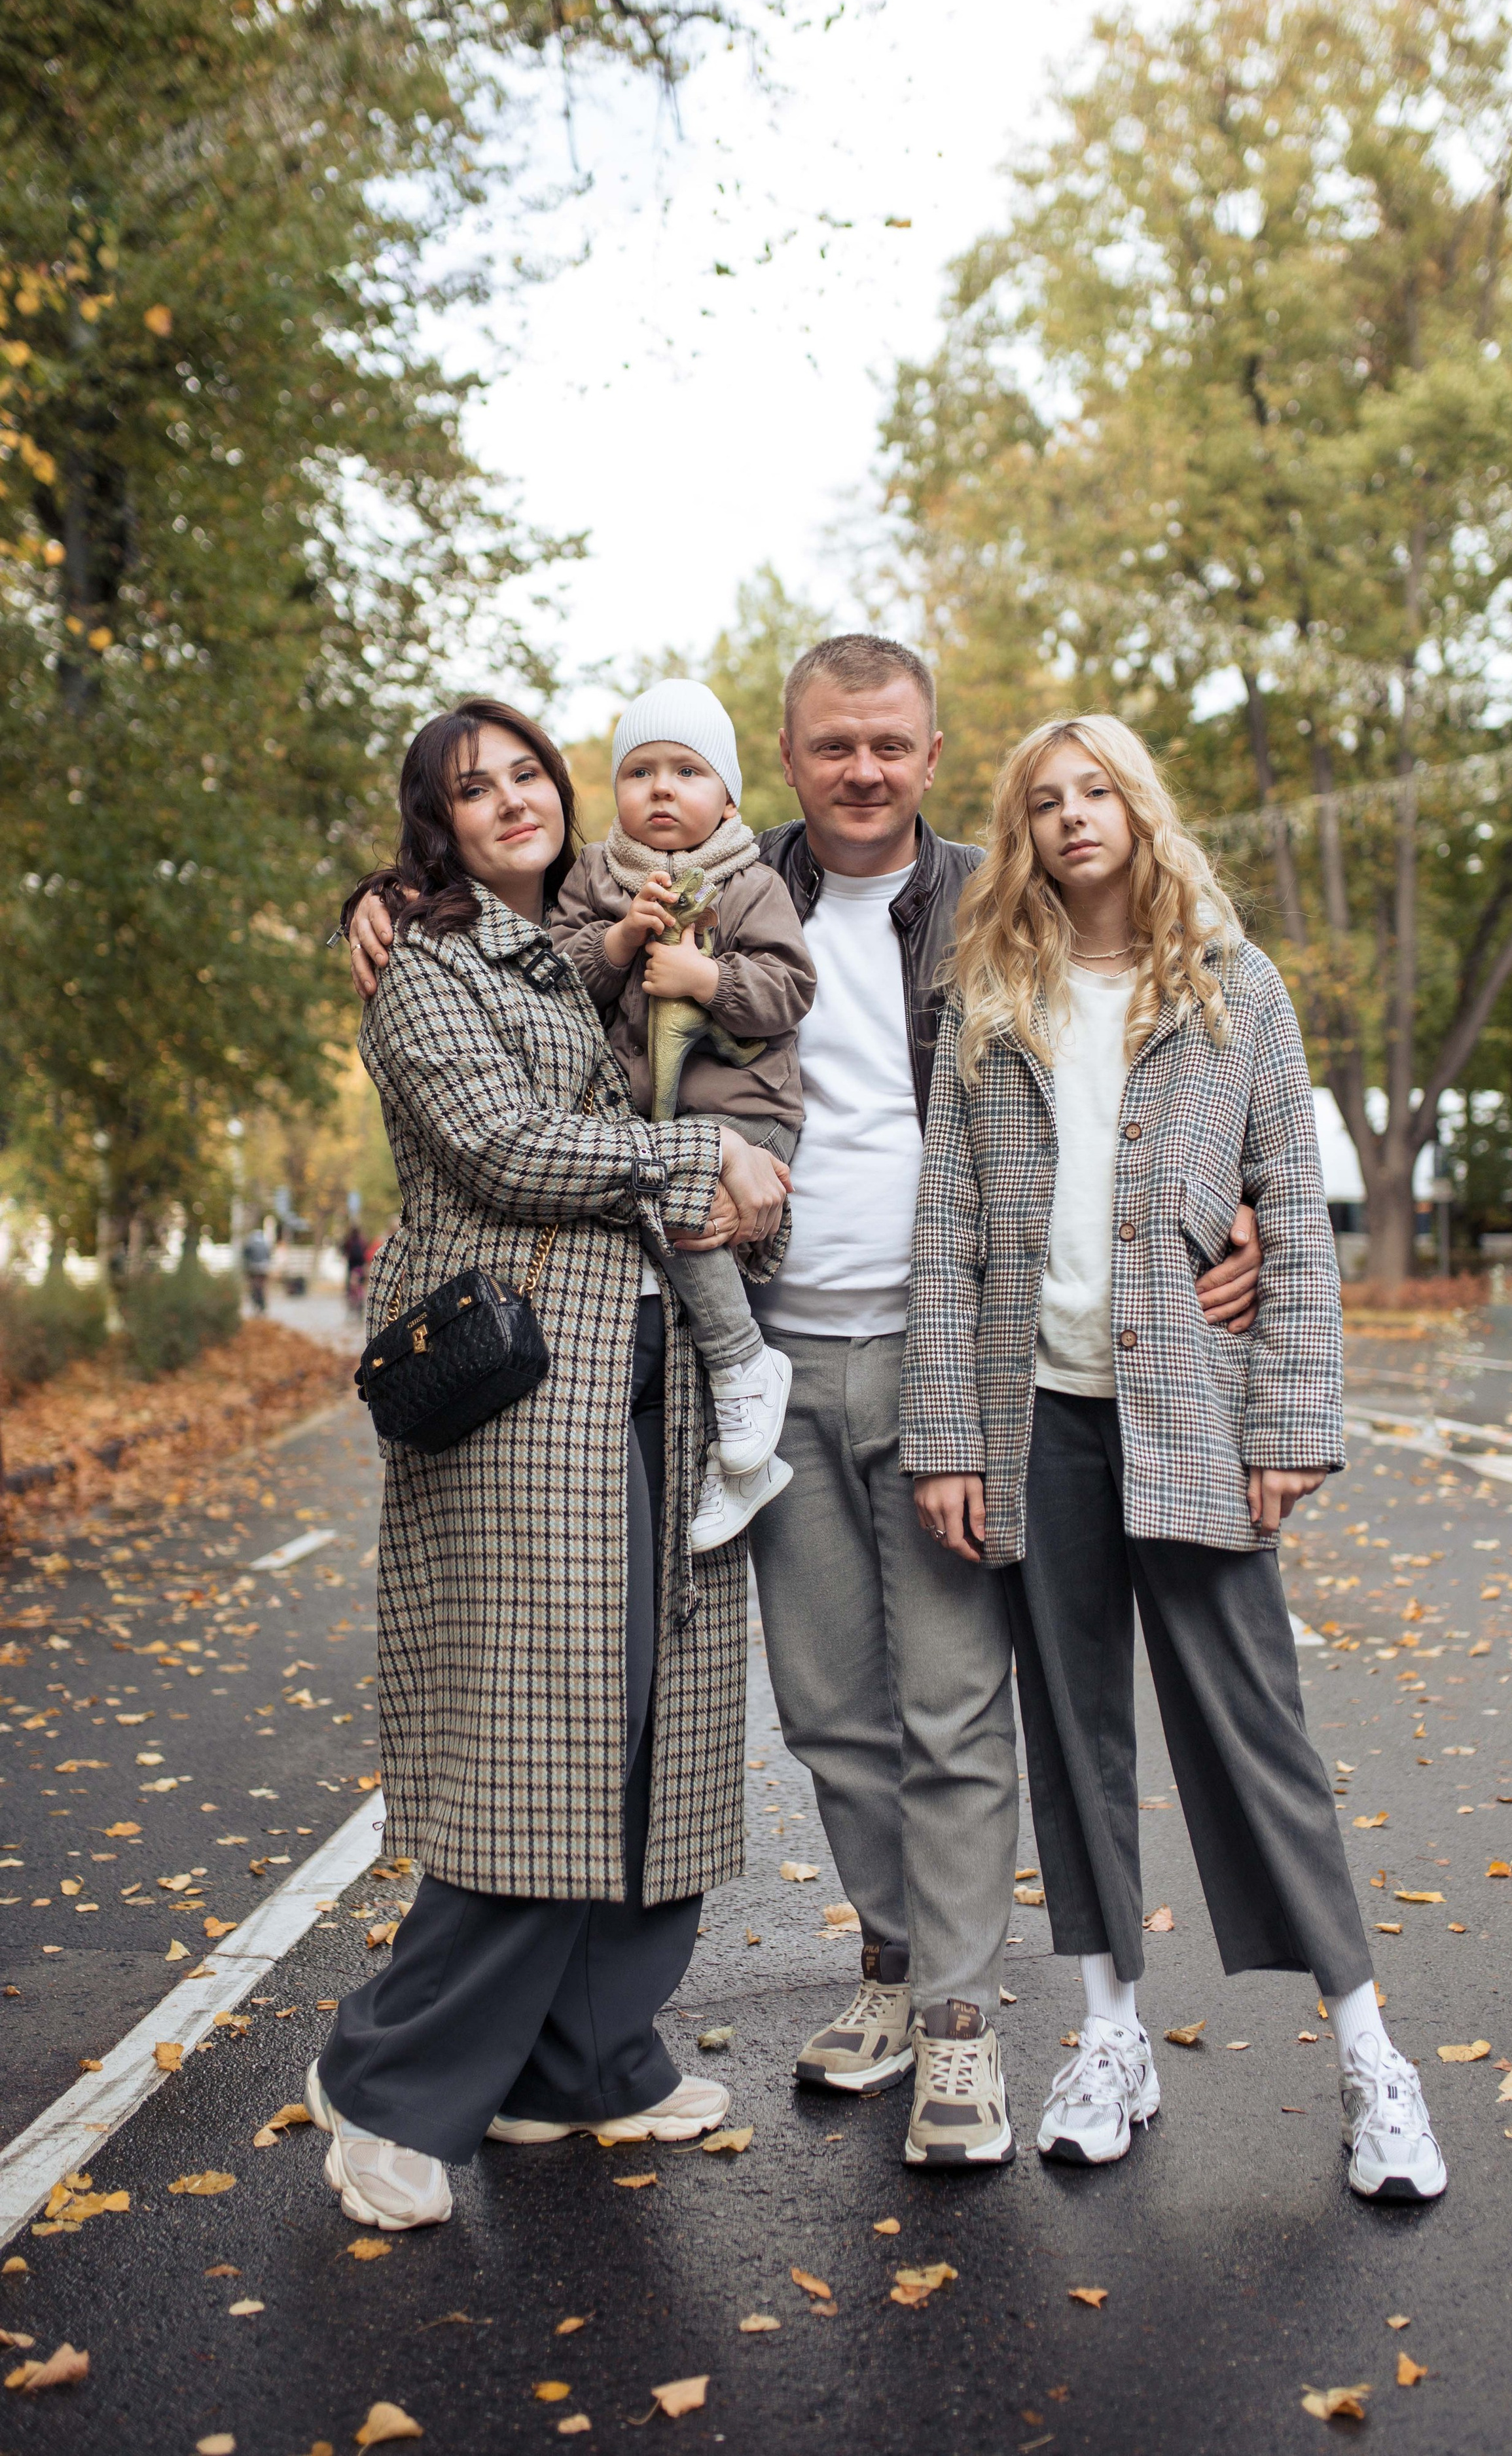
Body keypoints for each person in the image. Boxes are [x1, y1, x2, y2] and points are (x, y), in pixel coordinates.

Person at [345, 640, 1262, 2174]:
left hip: (946, 1355)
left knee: (950, 1704)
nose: (861, 770)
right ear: (782, 754)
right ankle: (894, 1978)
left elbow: (1157, 988)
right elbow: (524, 923)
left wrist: (1229, 1194)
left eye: (890, 744)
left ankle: (963, 2028)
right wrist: (383, 899)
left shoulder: (992, 894)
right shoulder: (700, 865)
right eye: (831, 745)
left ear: (929, 748)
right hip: (749, 1358)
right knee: (830, 1715)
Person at [902, 713, 1447, 2203]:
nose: (1072, 815)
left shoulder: (1232, 990)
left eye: (1094, 791)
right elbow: (944, 1235)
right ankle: (1108, 2036)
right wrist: (946, 1439)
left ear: (1136, 810)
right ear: (1019, 829)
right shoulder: (986, 997)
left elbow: (1292, 1215)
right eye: (1042, 799)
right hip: (1037, 1425)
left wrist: (1286, 1431)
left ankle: (1367, 2059)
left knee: (1251, 1735)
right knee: (1072, 1741)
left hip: (1189, 1420)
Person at [310, 697, 789, 2231]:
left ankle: (582, 2062)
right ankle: (384, 2082)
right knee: (546, 1740)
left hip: (652, 1381)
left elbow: (745, 967)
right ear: (433, 825)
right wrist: (699, 1160)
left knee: (657, 1726)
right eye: (472, 789)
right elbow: (502, 1145)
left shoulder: (599, 932)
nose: (510, 801)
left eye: (528, 774)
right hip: (523, 1394)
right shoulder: (430, 967)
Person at [550, 678, 814, 1549]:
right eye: (641, 772)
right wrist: (622, 940)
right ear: (615, 794)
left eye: (687, 771)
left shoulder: (748, 882)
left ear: (728, 797)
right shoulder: (595, 878)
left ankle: (748, 1367)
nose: (662, 789)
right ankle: (742, 1463)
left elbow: (789, 988)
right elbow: (554, 987)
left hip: (746, 1113)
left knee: (693, 1222)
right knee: (672, 1280)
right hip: (649, 1127)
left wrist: (708, 981)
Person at [241, 1223, 272, 1314]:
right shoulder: (265, 1243)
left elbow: (245, 1255)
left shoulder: (250, 1242)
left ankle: (256, 1303)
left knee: (254, 1287)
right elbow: (269, 1255)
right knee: (262, 1287)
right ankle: (262, 1304)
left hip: (253, 1269)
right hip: (264, 1268)